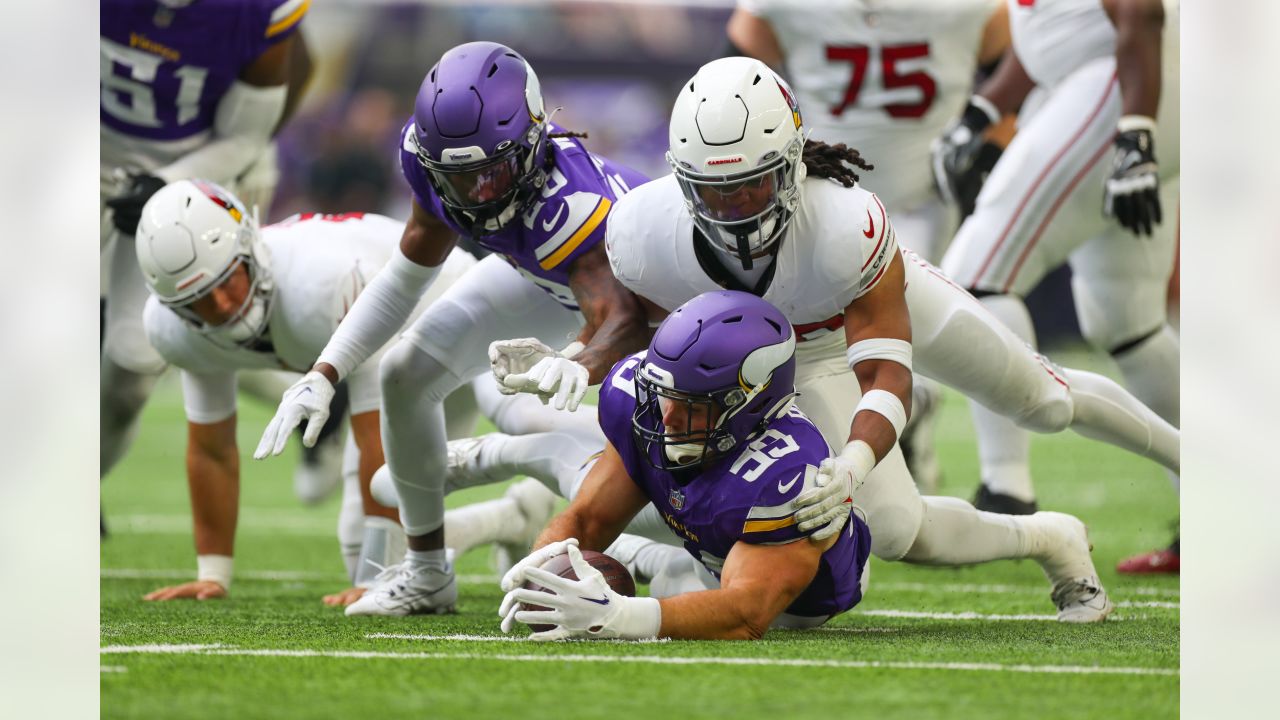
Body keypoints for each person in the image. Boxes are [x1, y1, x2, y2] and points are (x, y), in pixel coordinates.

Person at [550, 56, 1185, 621]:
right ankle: (1053, 537)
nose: (737, 208)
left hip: (863, 312)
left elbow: (886, 375)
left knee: (1046, 402)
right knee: (895, 528)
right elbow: (633, 324)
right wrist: (582, 361)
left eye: (753, 185)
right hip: (783, 361)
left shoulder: (843, 226)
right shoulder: (640, 231)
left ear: (794, 163)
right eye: (715, 192)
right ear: (679, 182)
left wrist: (851, 466)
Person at [254, 41, 651, 616]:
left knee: (658, 486)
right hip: (540, 280)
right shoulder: (433, 165)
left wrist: (581, 361)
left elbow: (623, 319)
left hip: (652, 314)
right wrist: (325, 371)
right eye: (460, 177)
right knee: (403, 372)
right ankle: (426, 571)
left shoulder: (571, 203)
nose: (477, 193)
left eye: (493, 172)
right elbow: (402, 279)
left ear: (536, 138)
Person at [497, 291, 1106, 641]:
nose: (667, 421)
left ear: (751, 406)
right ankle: (523, 524)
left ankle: (1044, 533)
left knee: (899, 531)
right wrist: (541, 568)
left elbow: (745, 613)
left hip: (793, 601)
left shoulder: (786, 474)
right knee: (640, 543)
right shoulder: (648, 405)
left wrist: (619, 616)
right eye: (664, 400)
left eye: (693, 408)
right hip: (710, 538)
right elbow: (586, 517)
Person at [131, 179, 551, 604]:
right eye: (198, 300)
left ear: (250, 249)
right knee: (374, 547)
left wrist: (375, 581)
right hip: (405, 360)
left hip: (461, 306)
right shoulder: (173, 330)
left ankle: (556, 503)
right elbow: (211, 448)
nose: (221, 306)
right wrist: (213, 573)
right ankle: (514, 517)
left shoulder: (318, 284)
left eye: (227, 281)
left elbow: (383, 426)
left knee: (519, 425)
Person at [724, 0, 1016, 495]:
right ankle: (914, 414)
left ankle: (976, 458)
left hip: (922, 199)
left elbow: (1015, 76)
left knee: (904, 334)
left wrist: (990, 152)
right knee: (818, 343)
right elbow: (733, 80)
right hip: (823, 197)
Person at [932, 0, 1180, 568]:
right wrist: (982, 109)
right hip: (1129, 80)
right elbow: (1048, 26)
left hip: (1122, 83)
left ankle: (1008, 489)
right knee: (1128, 322)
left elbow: (1139, 12)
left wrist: (1135, 133)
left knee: (976, 275)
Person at [101, 0, 322, 504]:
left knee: (132, 372)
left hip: (181, 168)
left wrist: (167, 182)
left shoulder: (257, 11)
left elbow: (246, 135)